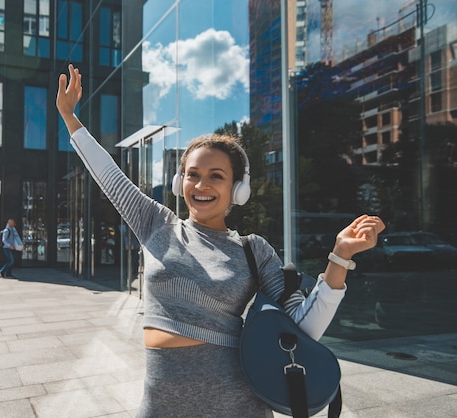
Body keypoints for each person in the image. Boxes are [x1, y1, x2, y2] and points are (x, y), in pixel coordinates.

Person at [56, 64, 385, 416]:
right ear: (179, 182)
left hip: (235, 404)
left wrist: (339, 259)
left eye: (216, 176)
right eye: (192, 175)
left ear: (237, 189)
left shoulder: (253, 249)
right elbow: (110, 176)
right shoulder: (156, 223)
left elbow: (303, 328)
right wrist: (69, 117)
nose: (202, 186)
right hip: (159, 405)